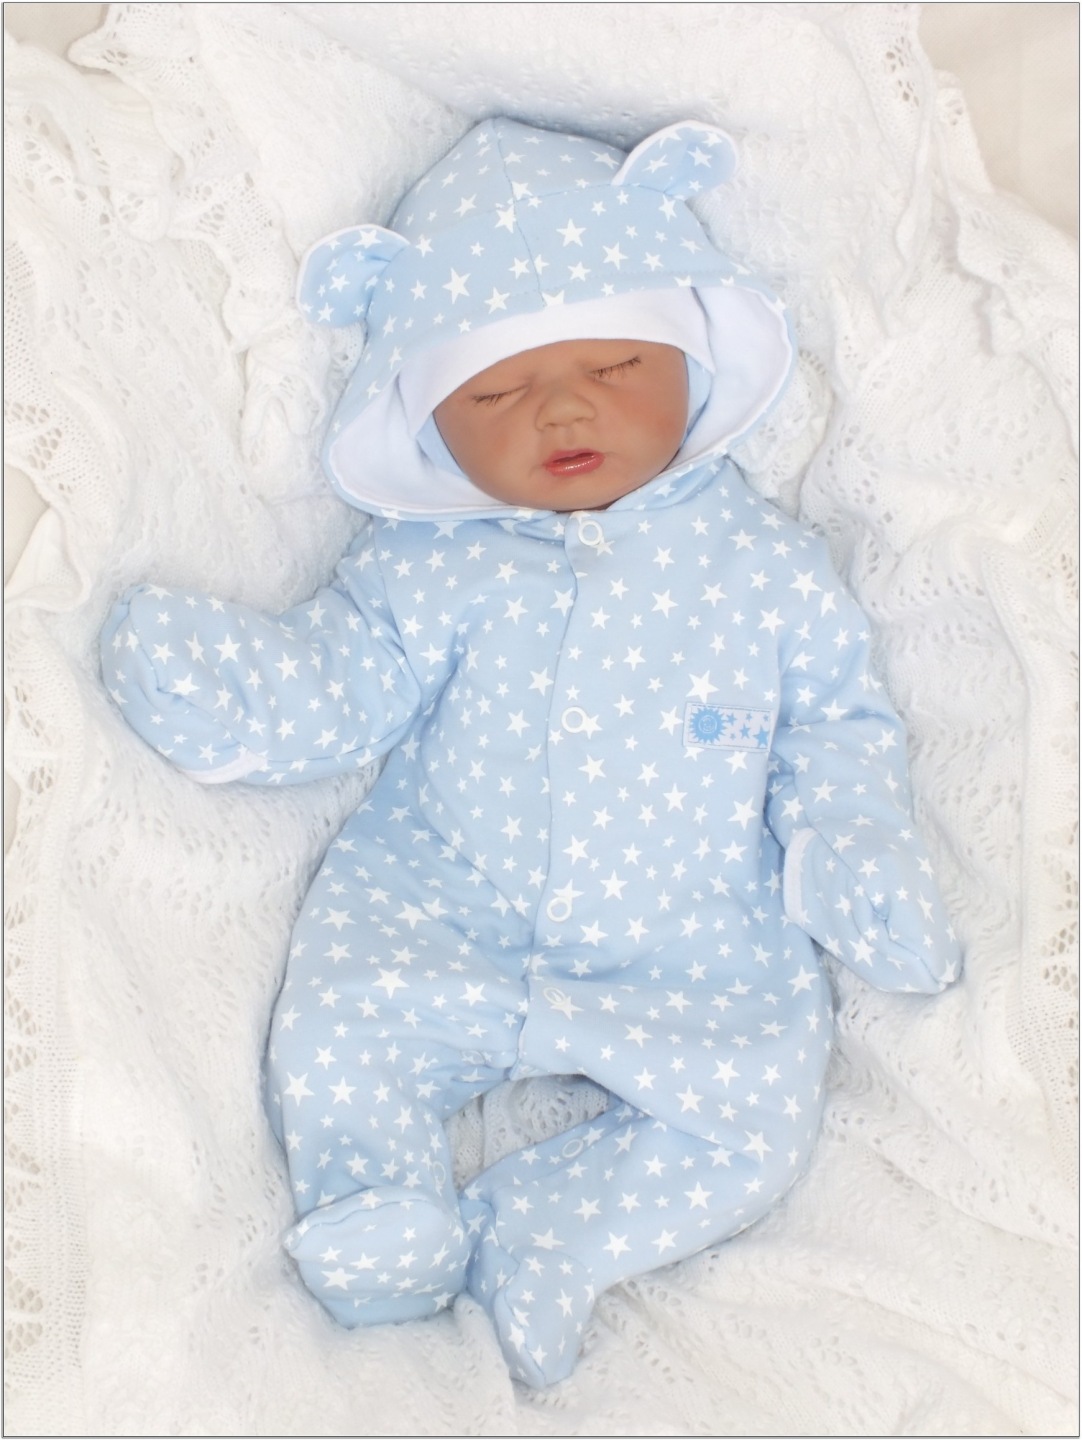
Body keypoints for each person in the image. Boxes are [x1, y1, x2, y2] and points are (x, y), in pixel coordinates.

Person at [101, 116, 961, 1388]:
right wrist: (238, 694)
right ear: (428, 426)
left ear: (696, 362)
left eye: (614, 362)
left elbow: (835, 723)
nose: (560, 405)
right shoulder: (425, 560)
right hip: (441, 905)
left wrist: (852, 844)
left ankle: (547, 1234)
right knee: (340, 1032)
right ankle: (379, 1205)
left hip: (687, 938)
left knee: (756, 1115)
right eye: (494, 392)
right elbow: (348, 678)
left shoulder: (764, 567)